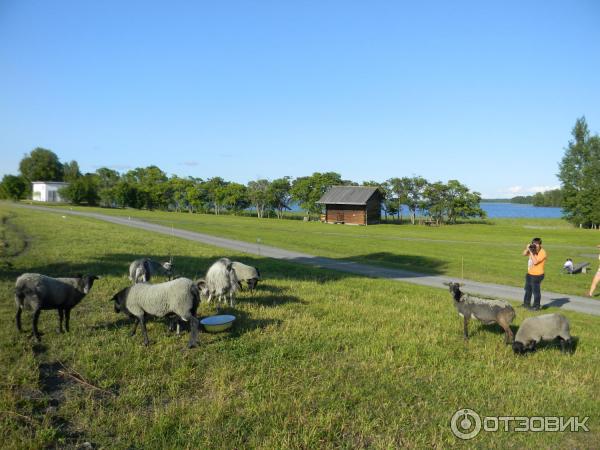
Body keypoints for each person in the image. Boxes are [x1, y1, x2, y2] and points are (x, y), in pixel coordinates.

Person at [522, 237, 547, 310]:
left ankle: (536, 306)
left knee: (536, 292)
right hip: (530, 274)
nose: (535, 245)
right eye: (534, 244)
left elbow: (535, 262)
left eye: (537, 244)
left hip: (537, 275)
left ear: (540, 245)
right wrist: (527, 249)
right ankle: (526, 304)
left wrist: (531, 252)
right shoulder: (532, 249)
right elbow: (523, 254)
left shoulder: (542, 252)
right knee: (528, 290)